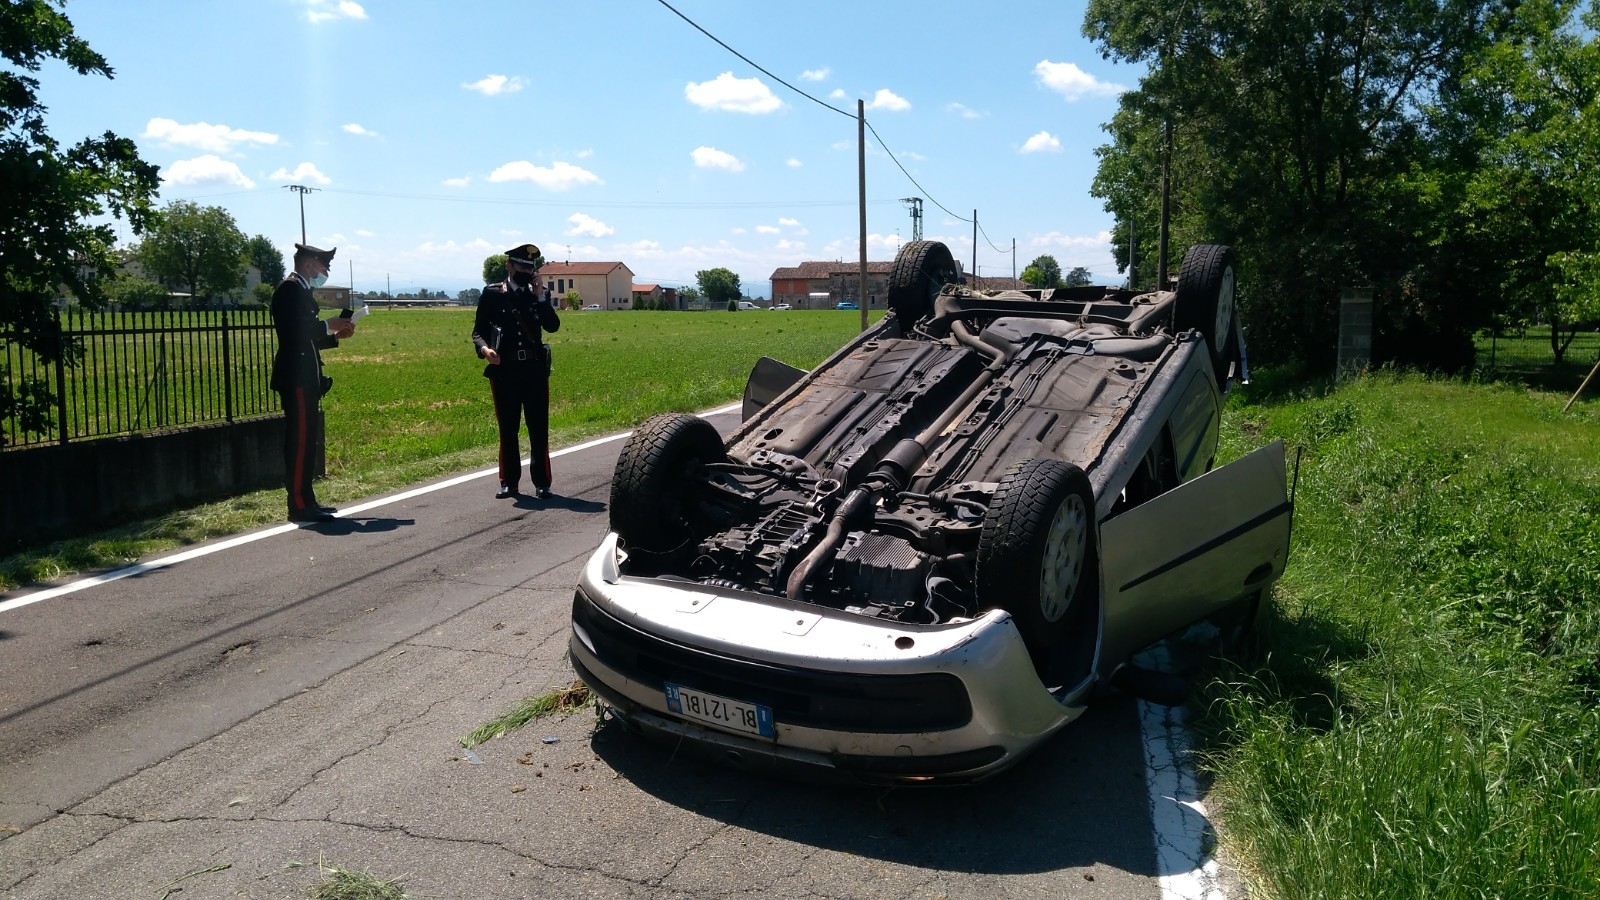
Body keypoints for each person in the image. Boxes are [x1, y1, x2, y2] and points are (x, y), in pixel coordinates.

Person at [270, 243, 356, 523]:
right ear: (309, 265)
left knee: (307, 443)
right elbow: (295, 333)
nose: (326, 272)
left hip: (305, 376)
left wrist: (334, 335)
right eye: (324, 267)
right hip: (295, 377)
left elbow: (308, 338)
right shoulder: (290, 289)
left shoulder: (300, 289)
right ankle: (298, 504)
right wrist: (329, 324)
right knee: (299, 442)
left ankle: (306, 499)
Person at [473, 243, 561, 499]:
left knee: (538, 428)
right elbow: (478, 331)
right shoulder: (492, 294)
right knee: (508, 429)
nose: (525, 271)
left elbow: (553, 326)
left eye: (530, 268)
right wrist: (485, 350)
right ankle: (509, 482)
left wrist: (541, 295)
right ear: (509, 266)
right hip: (505, 371)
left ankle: (542, 482)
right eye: (521, 266)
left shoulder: (537, 295)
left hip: (534, 370)